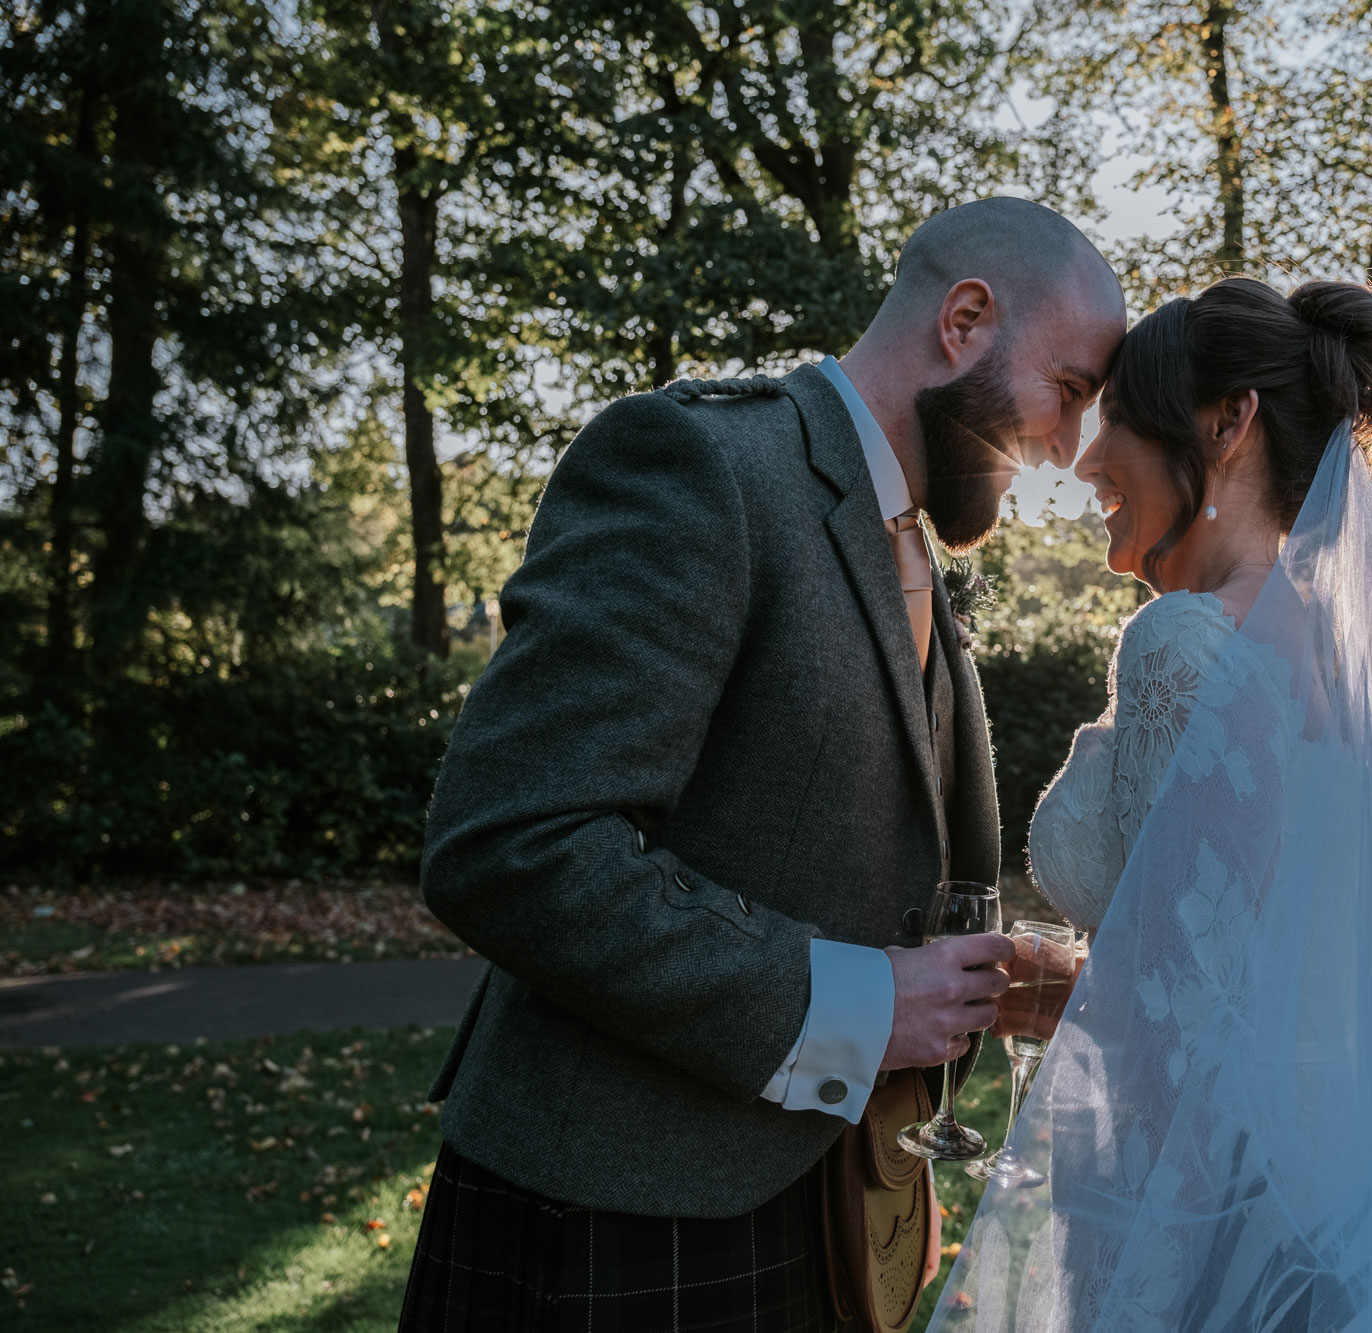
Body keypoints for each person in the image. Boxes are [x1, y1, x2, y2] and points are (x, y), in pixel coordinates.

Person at [398, 197, 1127, 1333]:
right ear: (965, 320)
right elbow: (511, 843)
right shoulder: (699, 462)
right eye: (1069, 390)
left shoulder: (912, 541)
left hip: (823, 1204)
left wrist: (978, 992)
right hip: (615, 1217)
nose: (1064, 447)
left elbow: (853, 851)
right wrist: (854, 1003)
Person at [952, 277, 1372, 1330]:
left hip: (1192, 1223)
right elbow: (1259, 976)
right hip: (1319, 1211)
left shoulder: (1182, 643)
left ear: (1227, 421)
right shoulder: (1331, 658)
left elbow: (1185, 1033)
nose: (1081, 456)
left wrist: (1049, 989)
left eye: (1112, 416)